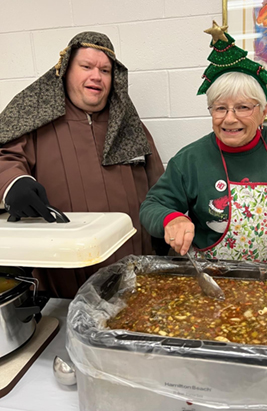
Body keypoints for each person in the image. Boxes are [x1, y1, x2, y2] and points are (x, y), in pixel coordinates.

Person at [140, 21, 267, 264]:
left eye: (243, 107)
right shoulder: (190, 159)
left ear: (264, 111)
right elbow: (153, 205)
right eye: (220, 108)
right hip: (214, 282)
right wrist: (172, 219)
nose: (229, 118)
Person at [0, 31, 165, 298]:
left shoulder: (132, 127)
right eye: (86, 66)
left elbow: (160, 187)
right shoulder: (33, 122)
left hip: (132, 275)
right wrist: (13, 184)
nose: (96, 76)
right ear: (65, 71)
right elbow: (5, 157)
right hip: (62, 279)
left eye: (105, 70)